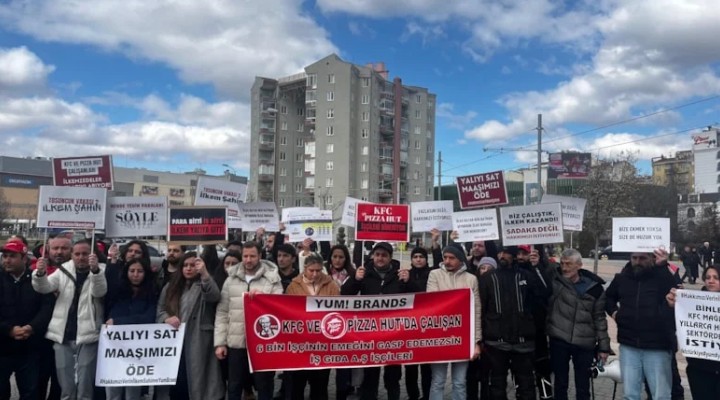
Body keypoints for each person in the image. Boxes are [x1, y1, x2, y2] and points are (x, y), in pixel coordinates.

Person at [32, 240, 107, 400]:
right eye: (77, 254)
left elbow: (99, 292)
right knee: (66, 384)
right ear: (72, 255)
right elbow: (44, 288)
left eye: (85, 254)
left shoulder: (101, 270)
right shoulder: (63, 270)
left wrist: (95, 271)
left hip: (88, 333)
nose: (81, 257)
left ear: (93, 255)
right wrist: (40, 274)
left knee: (85, 382)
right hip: (63, 334)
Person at [341, 242, 412, 400]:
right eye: (377, 255)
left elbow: (418, 297)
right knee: (370, 375)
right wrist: (355, 279)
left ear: (390, 258)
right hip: (370, 332)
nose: (380, 258)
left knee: (393, 375)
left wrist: (408, 281)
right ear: (373, 255)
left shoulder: (399, 274)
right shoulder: (364, 273)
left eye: (384, 255)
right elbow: (345, 294)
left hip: (394, 333)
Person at [605, 249, 677, 400]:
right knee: (630, 394)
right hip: (629, 344)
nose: (638, 262)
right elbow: (608, 298)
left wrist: (662, 267)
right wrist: (615, 314)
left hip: (657, 346)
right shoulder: (622, 277)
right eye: (634, 258)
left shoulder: (662, 276)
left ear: (651, 258)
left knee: (661, 395)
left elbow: (675, 294)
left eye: (642, 258)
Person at [214, 241, 283, 400]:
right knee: (234, 386)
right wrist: (220, 343)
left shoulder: (272, 278)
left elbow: (279, 306)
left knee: (264, 386)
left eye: (252, 256)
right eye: (245, 256)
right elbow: (222, 312)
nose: (248, 260)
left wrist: (264, 299)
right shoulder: (231, 279)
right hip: (236, 343)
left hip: (262, 344)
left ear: (260, 256)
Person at [478, 246, 548, 400]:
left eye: (507, 253)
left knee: (526, 385)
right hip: (496, 341)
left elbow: (542, 297)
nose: (503, 256)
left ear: (514, 256)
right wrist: (481, 337)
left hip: (523, 342)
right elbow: (481, 308)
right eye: (500, 252)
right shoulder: (488, 278)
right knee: (497, 385)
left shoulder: (527, 276)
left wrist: (536, 267)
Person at [156, 252, 224, 400]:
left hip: (199, 341)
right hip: (175, 343)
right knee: (179, 382)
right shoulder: (171, 287)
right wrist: (167, 318)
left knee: (198, 382)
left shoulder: (205, 283)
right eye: (185, 265)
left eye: (193, 265)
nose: (188, 268)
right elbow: (160, 310)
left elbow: (214, 296)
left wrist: (205, 274)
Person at [546, 249, 610, 400]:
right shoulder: (555, 281)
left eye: (569, 264)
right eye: (562, 264)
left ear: (579, 265)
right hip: (559, 339)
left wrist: (604, 347)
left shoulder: (595, 288)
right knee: (560, 384)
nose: (564, 268)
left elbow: (599, 318)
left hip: (584, 342)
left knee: (583, 386)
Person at [0, 240, 55, 400]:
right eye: (4, 256)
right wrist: (8, 330)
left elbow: (47, 307)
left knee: (30, 392)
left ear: (24, 258)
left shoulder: (37, 280)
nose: (7, 260)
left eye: (12, 256)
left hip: (30, 347)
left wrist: (31, 327)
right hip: (2, 346)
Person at [426, 243, 481, 400]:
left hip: (463, 338)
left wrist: (476, 342)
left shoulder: (471, 279)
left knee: (459, 382)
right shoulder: (435, 275)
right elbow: (433, 301)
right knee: (438, 381)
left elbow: (476, 310)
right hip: (440, 337)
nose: (447, 261)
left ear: (461, 259)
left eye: (452, 258)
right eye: (445, 257)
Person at [285, 254, 340, 399]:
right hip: (300, 346)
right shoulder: (293, 286)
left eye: (318, 270)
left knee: (320, 387)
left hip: (322, 346)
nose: (315, 274)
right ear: (305, 269)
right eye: (311, 270)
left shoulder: (331, 285)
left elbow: (337, 311)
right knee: (297, 386)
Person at [105, 258, 159, 400]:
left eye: (140, 271)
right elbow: (111, 315)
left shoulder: (151, 292)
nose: (135, 275)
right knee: (113, 390)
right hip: (115, 348)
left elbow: (148, 318)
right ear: (126, 272)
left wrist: (118, 322)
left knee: (133, 392)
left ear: (145, 273)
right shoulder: (118, 291)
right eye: (132, 271)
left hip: (137, 350)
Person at [666, 264, 720, 399]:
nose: (711, 281)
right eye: (708, 277)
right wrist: (675, 304)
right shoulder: (693, 302)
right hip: (699, 368)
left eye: (716, 278)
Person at [405, 229, 442, 400]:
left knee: (427, 368)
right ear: (411, 259)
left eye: (421, 257)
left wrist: (435, 243)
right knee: (410, 368)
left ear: (426, 259)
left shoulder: (432, 273)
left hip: (427, 327)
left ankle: (427, 396)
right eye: (415, 257)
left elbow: (439, 263)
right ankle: (413, 396)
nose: (418, 259)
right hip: (410, 327)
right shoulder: (406, 274)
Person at [324, 244, 357, 400]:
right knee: (323, 367)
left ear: (346, 259)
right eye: (335, 256)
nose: (337, 260)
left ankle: (341, 395)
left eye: (341, 257)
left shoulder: (352, 274)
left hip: (345, 326)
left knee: (343, 368)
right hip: (325, 325)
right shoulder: (322, 273)